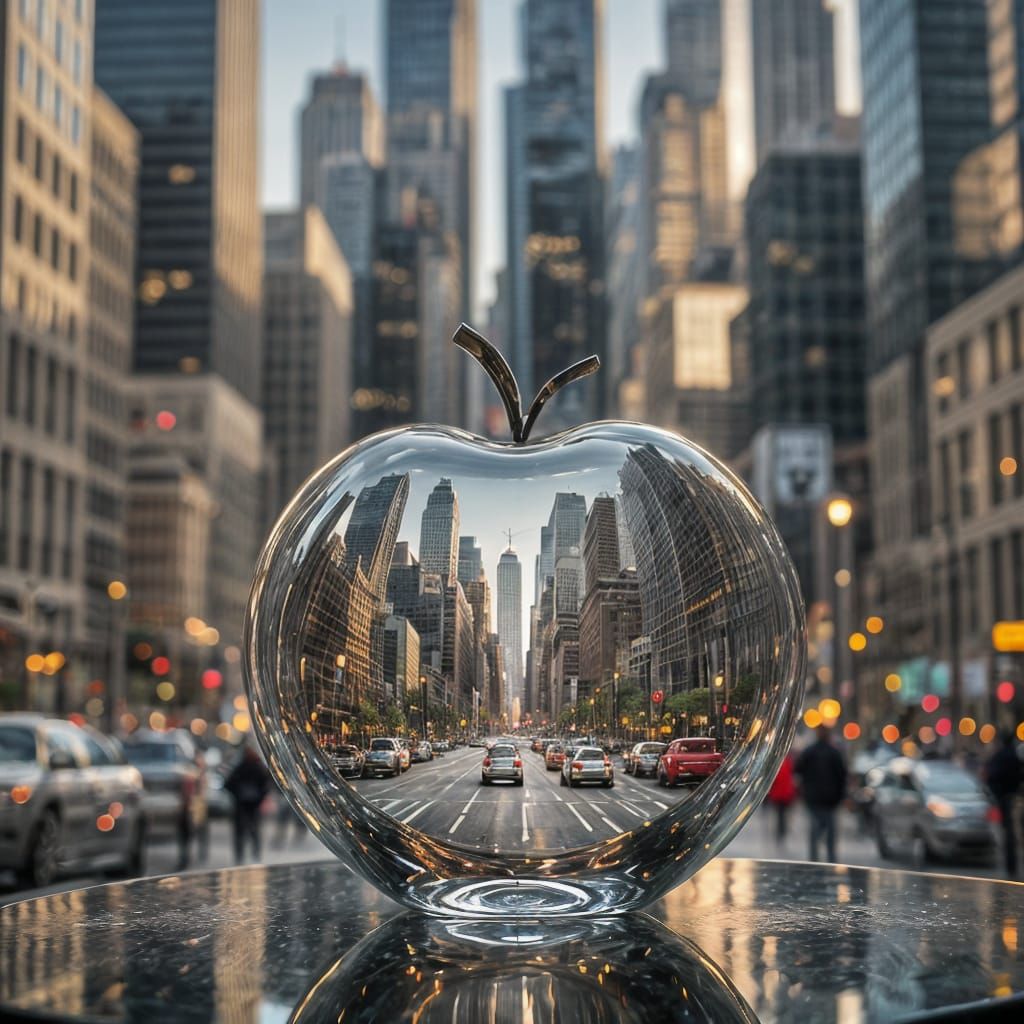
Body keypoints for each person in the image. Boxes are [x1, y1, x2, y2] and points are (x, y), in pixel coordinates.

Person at [794, 726, 847, 863]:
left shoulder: (809, 751)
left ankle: (814, 858)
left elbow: (798, 770)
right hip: (829, 798)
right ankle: (830, 858)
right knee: (829, 828)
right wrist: (841, 796)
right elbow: (842, 776)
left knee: (815, 827)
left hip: (814, 797)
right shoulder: (834, 753)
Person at [224, 745, 272, 864]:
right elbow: (266, 786)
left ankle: (245, 855)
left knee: (247, 831)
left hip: (244, 805)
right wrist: (257, 797)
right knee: (251, 831)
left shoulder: (243, 767)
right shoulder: (255, 767)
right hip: (248, 806)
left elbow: (228, 784)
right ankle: (250, 854)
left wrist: (239, 794)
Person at [985, 731, 1022, 880]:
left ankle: (1011, 865)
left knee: (1009, 833)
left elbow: (991, 775)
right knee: (1011, 833)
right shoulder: (1014, 756)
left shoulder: (1000, 756)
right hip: (1012, 797)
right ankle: (1012, 865)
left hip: (1005, 798)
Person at [767, 750, 798, 845]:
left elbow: (774, 780)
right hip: (786, 793)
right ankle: (782, 829)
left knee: (780, 814)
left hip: (779, 794)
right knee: (782, 814)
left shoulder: (778, 764)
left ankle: (781, 830)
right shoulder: (788, 763)